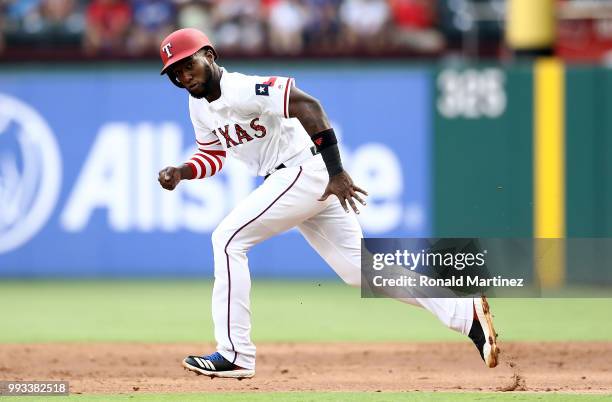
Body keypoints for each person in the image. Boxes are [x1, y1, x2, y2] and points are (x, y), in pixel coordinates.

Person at [157, 28, 499, 379]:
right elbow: (213, 155)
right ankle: (464, 312)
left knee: (227, 240)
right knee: (361, 272)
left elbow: (308, 105)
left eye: (188, 64)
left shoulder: (242, 88)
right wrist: (182, 171)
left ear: (210, 56)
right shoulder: (197, 104)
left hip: (303, 171)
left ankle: (235, 353)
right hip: (300, 178)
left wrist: (336, 171)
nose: (184, 76)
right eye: (175, 72)